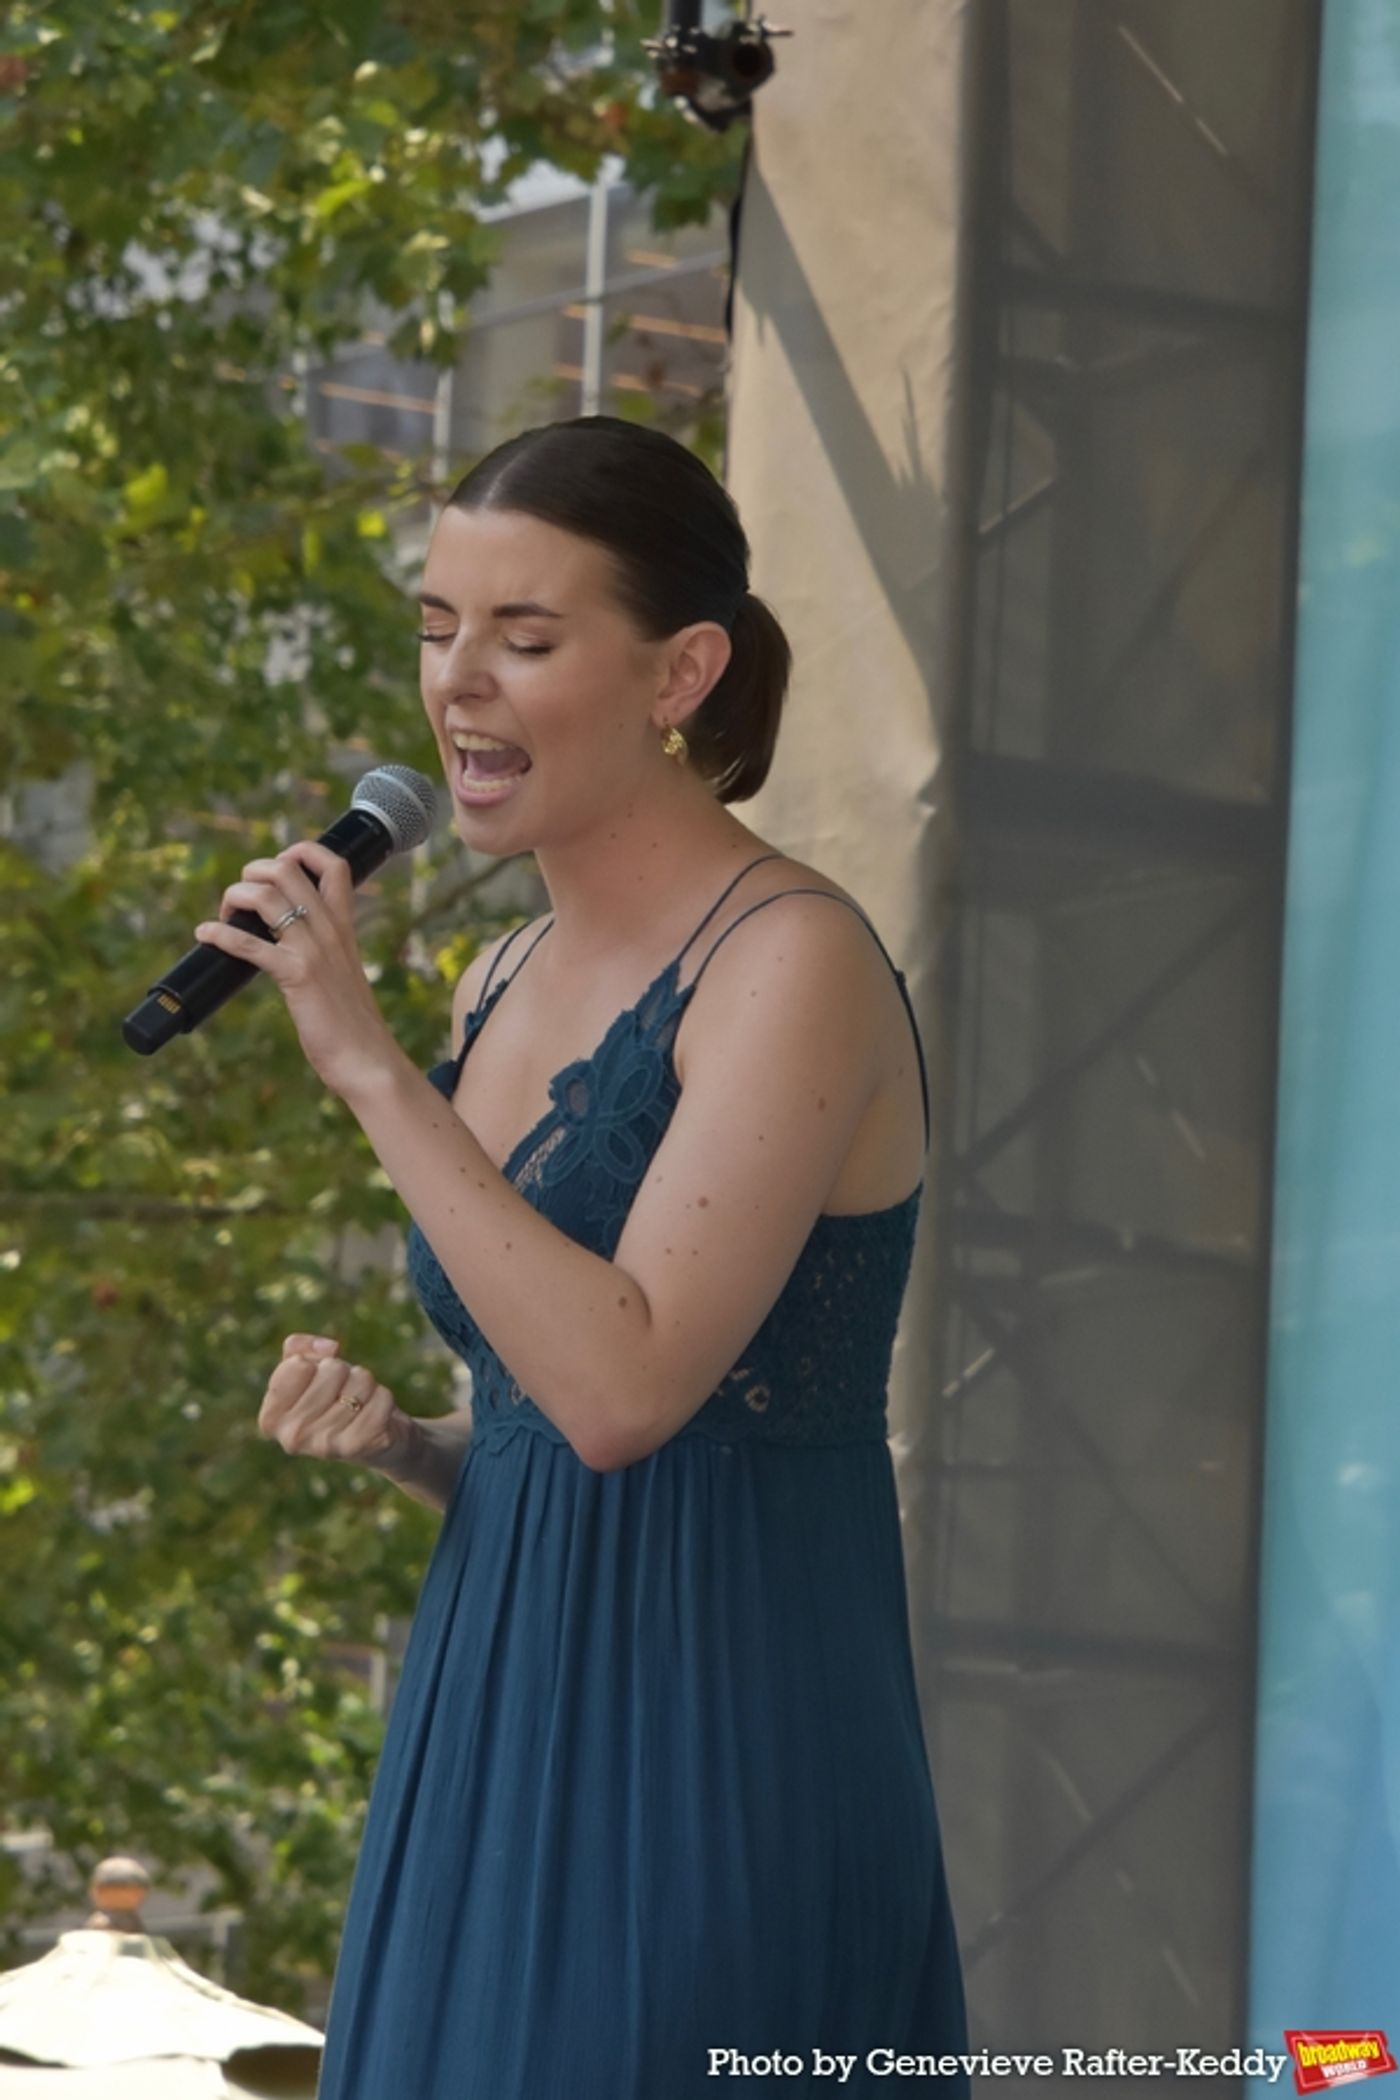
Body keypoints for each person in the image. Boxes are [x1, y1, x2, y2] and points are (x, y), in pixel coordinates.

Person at [192, 415, 969, 2097]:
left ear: (681, 671)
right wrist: (417, 1445)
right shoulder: (497, 981)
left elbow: (631, 1389)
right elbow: (552, 1422)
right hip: (493, 1719)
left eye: (524, 639)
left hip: (721, 1742)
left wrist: (365, 1066)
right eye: (436, 629)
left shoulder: (792, 962)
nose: (457, 684)